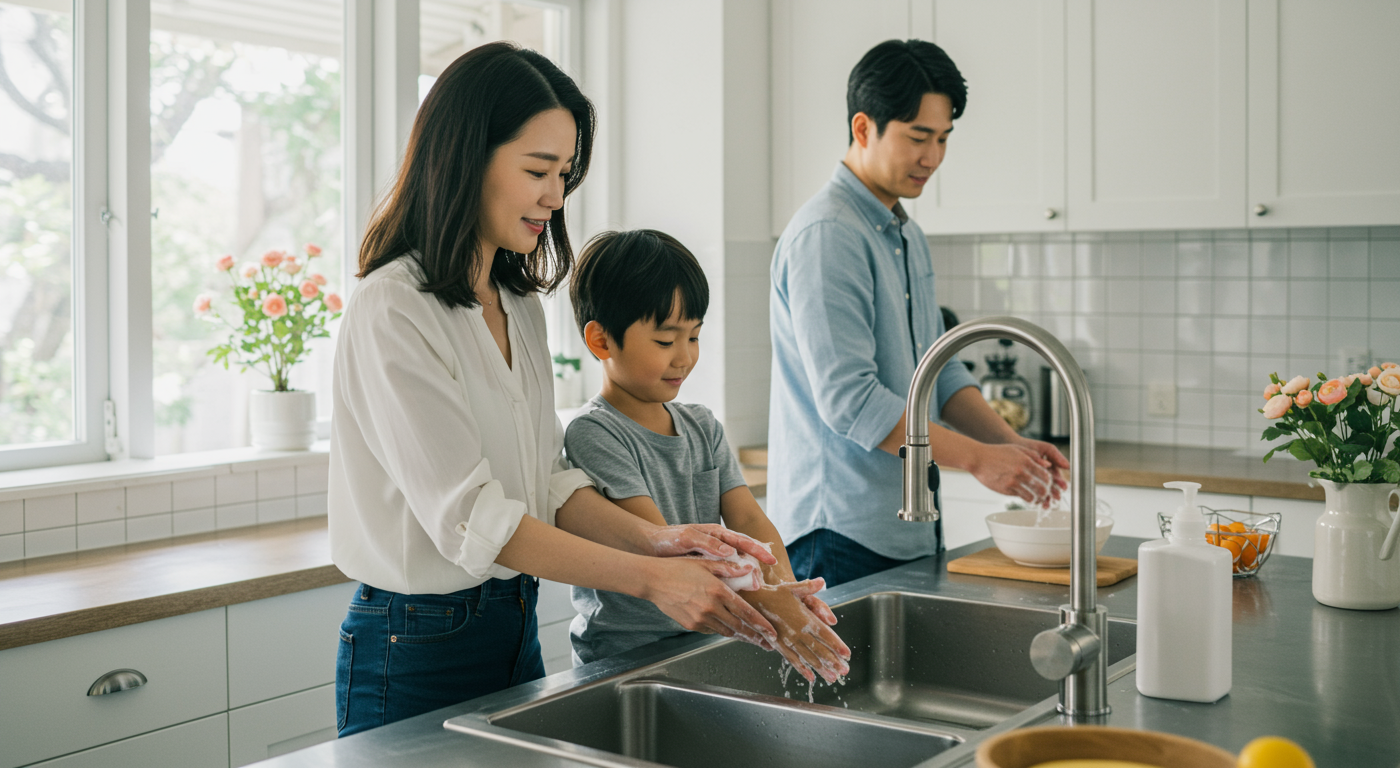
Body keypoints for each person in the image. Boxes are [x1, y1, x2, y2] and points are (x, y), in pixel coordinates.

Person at [327, 42, 778, 738]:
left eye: (564, 173)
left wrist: (660, 542)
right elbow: (476, 519)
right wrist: (652, 579)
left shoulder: (518, 301)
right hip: (412, 644)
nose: (555, 196)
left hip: (515, 627)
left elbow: (548, 485)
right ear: (465, 158)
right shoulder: (393, 309)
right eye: (538, 170)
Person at [768, 39, 1069, 588]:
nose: (932, 157)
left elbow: (940, 369)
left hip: (905, 525)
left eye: (943, 138)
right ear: (863, 129)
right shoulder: (828, 235)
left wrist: (1008, 445)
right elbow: (850, 400)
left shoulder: (905, 233)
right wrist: (978, 460)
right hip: (836, 532)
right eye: (918, 137)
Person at [563, 230, 851, 682]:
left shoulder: (702, 425)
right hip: (624, 654)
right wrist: (767, 603)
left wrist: (785, 592)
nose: (685, 357)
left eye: (693, 337)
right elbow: (664, 548)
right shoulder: (596, 432)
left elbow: (751, 523)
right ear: (601, 341)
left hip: (705, 636)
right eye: (664, 341)